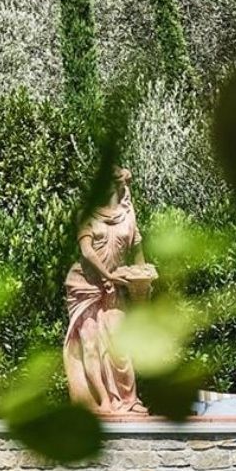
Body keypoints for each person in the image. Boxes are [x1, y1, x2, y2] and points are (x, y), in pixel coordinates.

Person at [63, 168, 157, 416]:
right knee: (91, 345)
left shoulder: (128, 215)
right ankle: (103, 402)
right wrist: (108, 276)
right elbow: (87, 252)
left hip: (114, 285)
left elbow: (137, 252)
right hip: (84, 285)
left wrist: (142, 279)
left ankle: (128, 400)